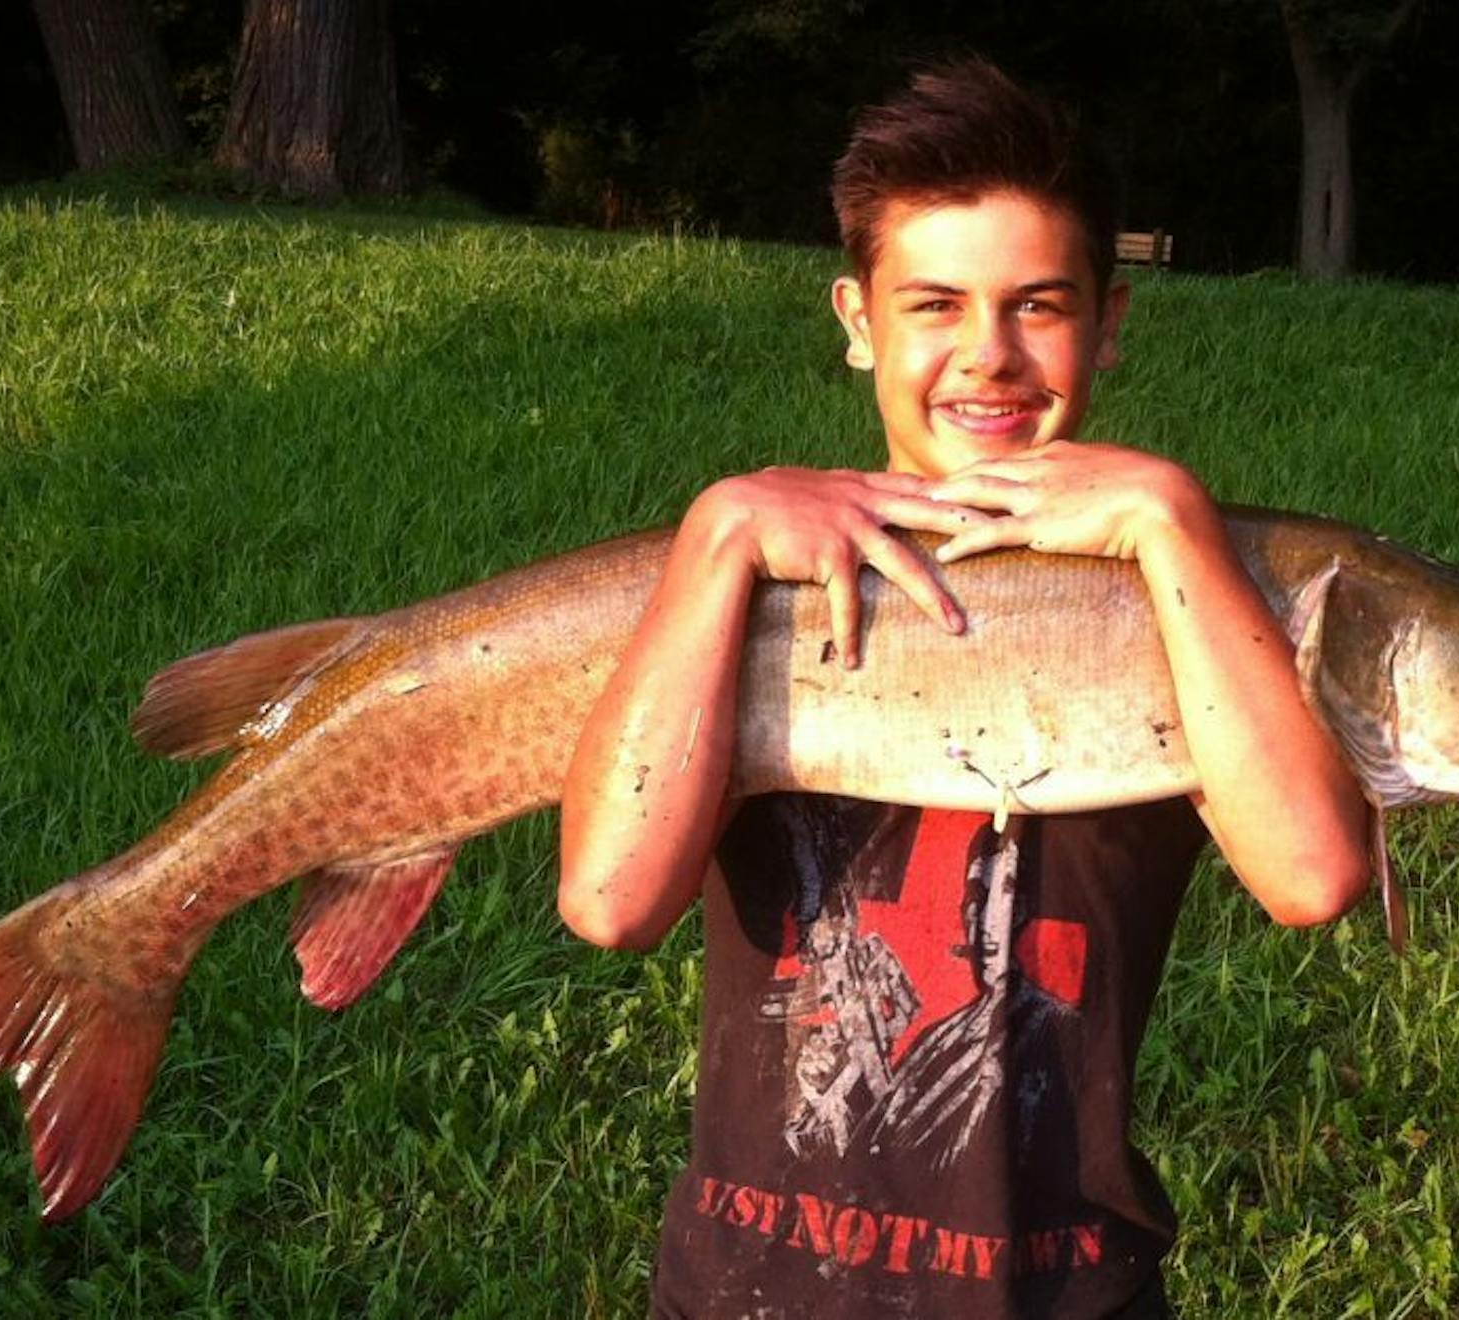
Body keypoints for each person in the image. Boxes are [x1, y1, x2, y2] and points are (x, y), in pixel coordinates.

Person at [559, 58, 1373, 1319]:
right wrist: (718, 531)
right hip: (742, 1290)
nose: (988, 356)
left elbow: (1312, 877)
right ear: (857, 321)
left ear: (1108, 323)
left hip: (1068, 1297)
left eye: (1037, 305)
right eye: (934, 304)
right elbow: (612, 901)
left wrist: (1170, 515)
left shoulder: (1190, 595)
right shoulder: (740, 578)